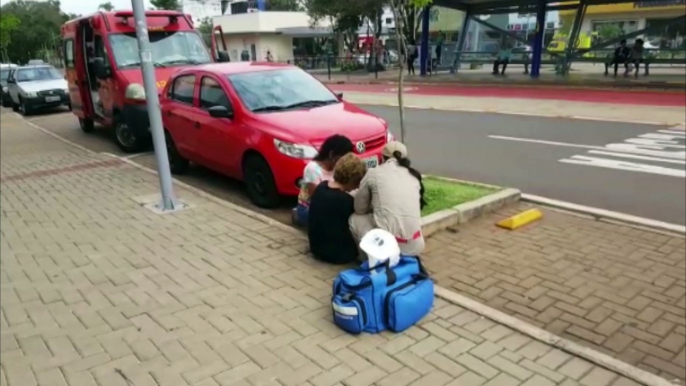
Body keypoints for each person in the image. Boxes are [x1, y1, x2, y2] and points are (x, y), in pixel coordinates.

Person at [349, 141, 427, 257]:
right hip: (415, 246)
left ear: (382, 157)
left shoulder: (373, 173)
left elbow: (360, 209)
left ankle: (367, 260)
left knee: (354, 219)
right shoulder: (414, 176)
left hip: (388, 249)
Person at [308, 154, 367, 264]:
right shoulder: (346, 201)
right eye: (357, 182)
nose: (358, 187)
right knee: (361, 219)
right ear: (352, 180)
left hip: (316, 248)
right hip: (338, 255)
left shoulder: (321, 187)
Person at [294, 135, 354, 227]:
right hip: (309, 208)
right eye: (343, 158)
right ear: (332, 154)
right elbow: (318, 199)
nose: (346, 161)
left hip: (331, 204)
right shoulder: (312, 169)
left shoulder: (337, 168)